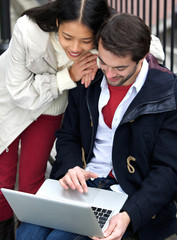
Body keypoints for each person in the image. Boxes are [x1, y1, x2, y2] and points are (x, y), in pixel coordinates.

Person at [16, 13, 177, 240]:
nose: (109, 74)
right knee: (26, 234)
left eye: (120, 68)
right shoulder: (89, 77)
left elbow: (168, 171)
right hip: (84, 185)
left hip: (131, 195)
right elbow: (68, 135)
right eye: (103, 62)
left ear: (142, 58)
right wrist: (71, 167)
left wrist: (130, 214)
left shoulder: (168, 91)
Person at [0, 0, 112, 239]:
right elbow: (19, 91)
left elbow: (144, 43)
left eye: (86, 41)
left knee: (32, 184)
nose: (75, 48)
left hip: (50, 106)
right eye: (67, 36)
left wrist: (98, 59)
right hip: (9, 100)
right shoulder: (27, 30)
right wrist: (69, 75)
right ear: (57, 22)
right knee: (2, 183)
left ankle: (28, 231)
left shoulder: (105, 31)